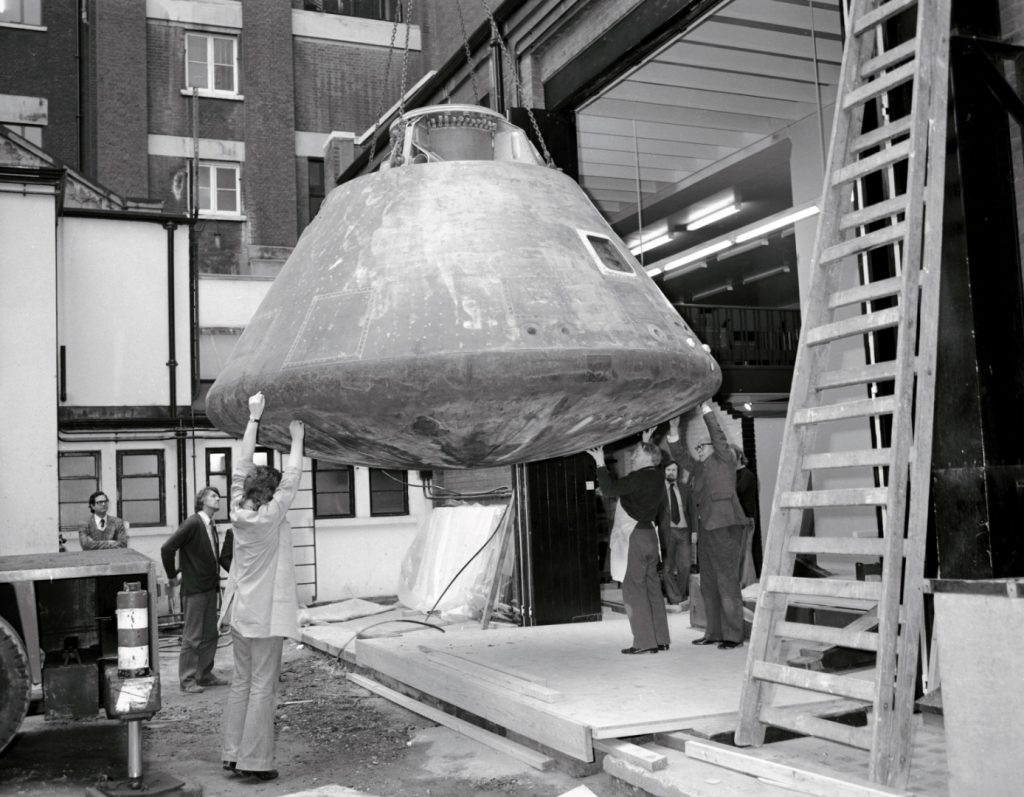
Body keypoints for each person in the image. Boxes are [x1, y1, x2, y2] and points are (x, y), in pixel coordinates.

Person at [221, 392, 304, 782]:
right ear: (270, 494)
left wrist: (254, 419)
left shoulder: (238, 513)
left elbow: (240, 468)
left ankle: (231, 753)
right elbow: (292, 479)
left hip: (239, 615)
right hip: (265, 619)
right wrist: (297, 439)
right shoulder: (272, 516)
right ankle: (254, 762)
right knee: (262, 688)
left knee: (241, 683)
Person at [666, 403, 748, 649]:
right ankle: (713, 632)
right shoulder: (699, 468)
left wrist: (705, 408)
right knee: (708, 584)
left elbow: (717, 435)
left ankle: (734, 636)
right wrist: (674, 429)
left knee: (727, 582)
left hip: (724, 526)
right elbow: (680, 456)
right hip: (705, 530)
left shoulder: (724, 458)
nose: (699, 449)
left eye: (703, 446)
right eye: (698, 446)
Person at [586, 434, 670, 655]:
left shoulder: (638, 477)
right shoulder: (659, 476)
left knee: (634, 590)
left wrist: (600, 462)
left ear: (648, 458)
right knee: (652, 589)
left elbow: (610, 489)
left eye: (637, 453)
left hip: (635, 538)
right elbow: (642, 471)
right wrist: (647, 440)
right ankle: (661, 639)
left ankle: (644, 642)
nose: (633, 456)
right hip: (651, 537)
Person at [161, 487, 229, 693]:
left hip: (209, 588)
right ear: (201, 501)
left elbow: (200, 554)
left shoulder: (210, 525)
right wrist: (173, 576)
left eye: (218, 495)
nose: (218, 498)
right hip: (195, 590)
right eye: (212, 496)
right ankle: (188, 679)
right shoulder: (193, 522)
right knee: (192, 636)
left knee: (210, 634)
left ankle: (204, 674)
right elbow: (167, 548)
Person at [658, 461, 691, 612]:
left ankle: (681, 596)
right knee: (668, 567)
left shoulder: (684, 487)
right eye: (669, 469)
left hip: (684, 531)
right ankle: (675, 598)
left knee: (685, 566)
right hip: (667, 531)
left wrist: (695, 531)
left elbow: (692, 510)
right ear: (664, 471)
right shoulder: (658, 490)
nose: (672, 472)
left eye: (675, 470)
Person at [733, 446, 760, 586]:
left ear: (738, 456)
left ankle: (747, 583)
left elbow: (736, 493)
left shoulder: (746, 475)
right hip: (737, 520)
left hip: (746, 519)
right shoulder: (733, 474)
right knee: (740, 554)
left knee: (745, 553)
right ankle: (744, 583)